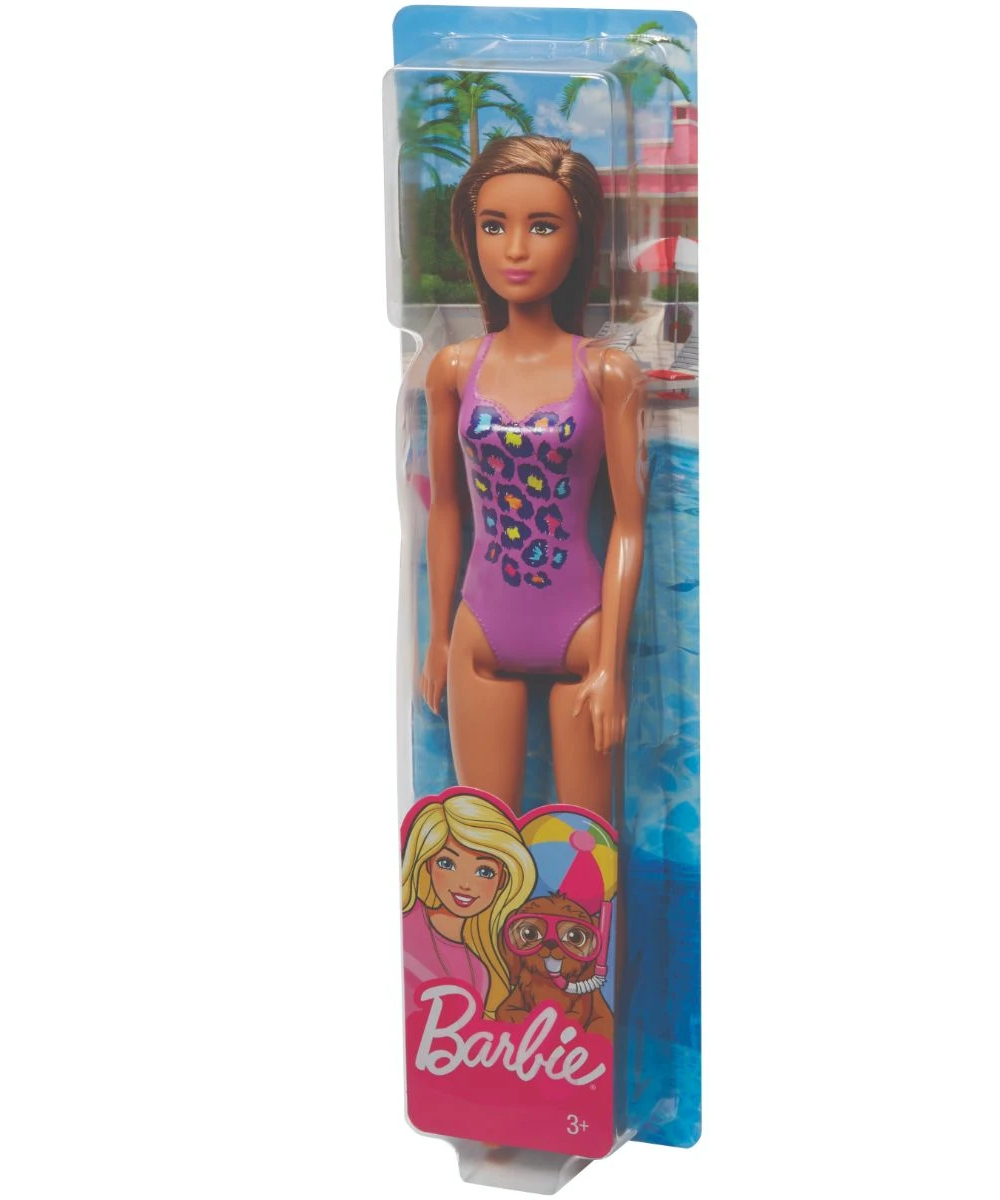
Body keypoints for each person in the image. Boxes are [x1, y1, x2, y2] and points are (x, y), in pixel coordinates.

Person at [417, 135, 646, 819]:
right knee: (484, 840)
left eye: (542, 227)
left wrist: (611, 666)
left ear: (579, 241)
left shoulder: (607, 372)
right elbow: (445, 509)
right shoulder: (454, 369)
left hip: (582, 631)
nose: (515, 250)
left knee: (585, 852)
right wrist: (437, 636)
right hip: (480, 630)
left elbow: (629, 524)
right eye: (494, 226)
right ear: (471, 236)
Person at [400, 790, 537, 1020]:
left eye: (485, 871)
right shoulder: (406, 928)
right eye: (447, 863)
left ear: (503, 879)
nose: (464, 884)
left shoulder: (483, 968)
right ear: (428, 864)